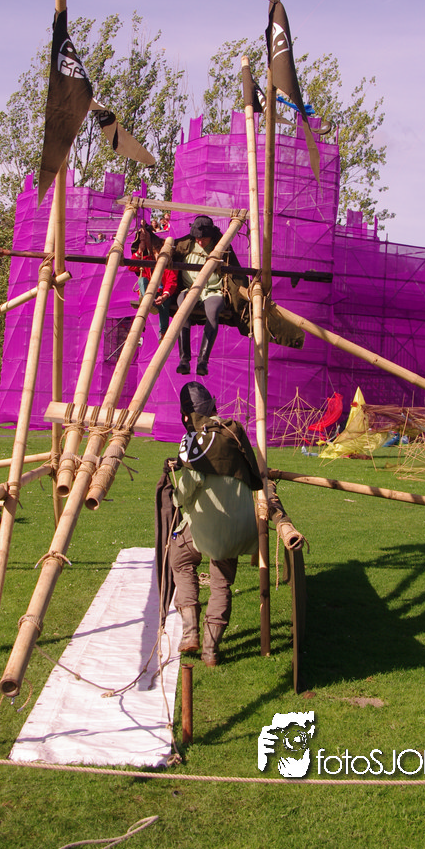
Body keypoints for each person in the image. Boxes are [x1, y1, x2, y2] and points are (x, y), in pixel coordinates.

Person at [167, 382, 261, 666]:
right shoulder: (234, 431)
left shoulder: (198, 440)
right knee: (221, 584)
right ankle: (210, 651)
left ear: (187, 415)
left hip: (207, 528)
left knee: (180, 557)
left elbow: (191, 484)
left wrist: (175, 498)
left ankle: (190, 632)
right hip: (241, 526)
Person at [174, 215, 243, 376]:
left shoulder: (221, 247)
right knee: (182, 310)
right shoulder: (186, 245)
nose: (200, 241)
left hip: (213, 290)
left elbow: (235, 272)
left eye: (203, 239)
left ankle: (203, 361)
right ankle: (184, 360)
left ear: (211, 236)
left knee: (213, 312)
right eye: (197, 238)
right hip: (190, 289)